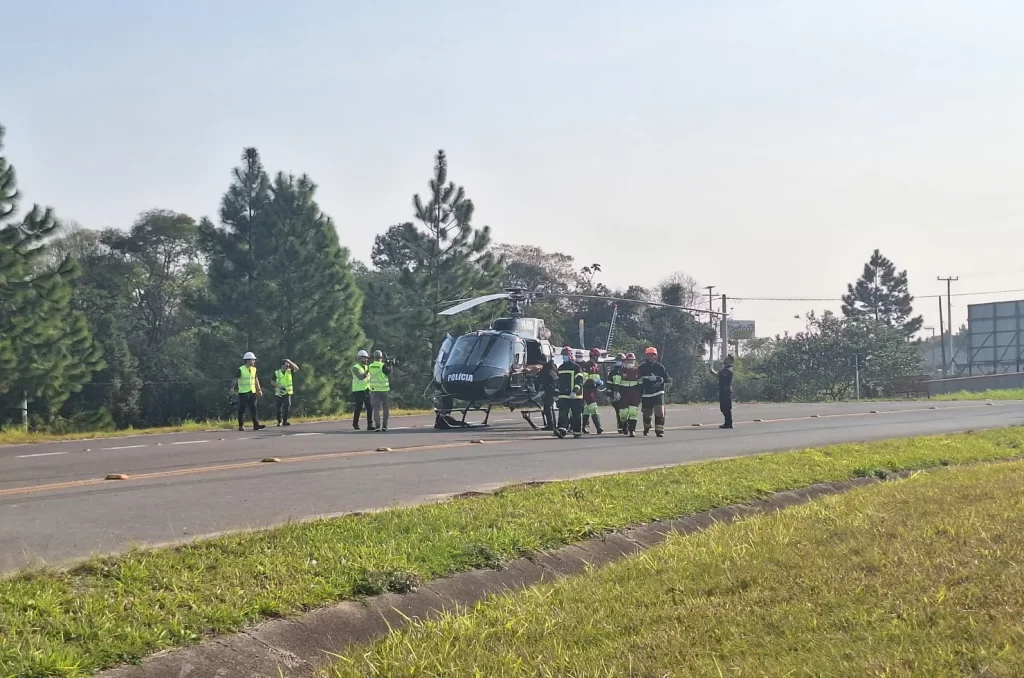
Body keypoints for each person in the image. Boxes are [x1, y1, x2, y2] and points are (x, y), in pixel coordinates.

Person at [554, 346, 586, 439]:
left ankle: (577, 431)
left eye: (566, 354)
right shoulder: (560, 368)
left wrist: (575, 391)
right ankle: (562, 429)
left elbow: (579, 381)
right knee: (562, 413)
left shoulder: (576, 367)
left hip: (575, 396)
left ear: (570, 355)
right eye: (563, 354)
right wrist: (556, 394)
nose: (564, 356)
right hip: (563, 395)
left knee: (576, 414)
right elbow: (558, 382)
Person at [639, 346, 671, 437]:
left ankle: (659, 431)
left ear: (655, 356)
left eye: (652, 355)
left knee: (660, 412)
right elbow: (637, 379)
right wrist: (643, 379)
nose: (650, 357)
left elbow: (667, 379)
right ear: (646, 356)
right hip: (646, 393)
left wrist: (658, 379)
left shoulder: (660, 367)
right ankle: (647, 427)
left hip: (658, 392)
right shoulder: (642, 368)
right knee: (646, 413)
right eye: (648, 355)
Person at [612, 352, 642, 437]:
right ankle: (624, 424)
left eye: (631, 361)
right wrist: (616, 392)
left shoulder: (637, 371)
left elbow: (641, 383)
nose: (630, 363)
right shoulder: (621, 371)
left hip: (634, 393)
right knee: (623, 413)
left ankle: (632, 430)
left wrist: (640, 394)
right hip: (623, 392)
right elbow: (616, 382)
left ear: (634, 361)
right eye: (628, 361)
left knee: (633, 412)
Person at [235, 351, 266, 432]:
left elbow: (256, 379)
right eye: (253, 360)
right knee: (242, 409)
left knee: (254, 409)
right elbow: (235, 380)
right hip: (243, 392)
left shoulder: (254, 369)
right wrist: (233, 389)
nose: (254, 361)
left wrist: (258, 389)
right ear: (248, 360)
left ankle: (256, 425)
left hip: (252, 392)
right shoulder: (241, 369)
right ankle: (241, 425)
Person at [367, 349, 394, 432]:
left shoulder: (370, 366)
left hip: (374, 390)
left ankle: (377, 426)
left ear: (374, 357)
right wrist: (391, 366)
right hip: (384, 389)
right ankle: (384, 426)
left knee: (376, 409)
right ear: (381, 357)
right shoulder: (383, 366)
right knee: (385, 408)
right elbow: (390, 376)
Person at [580, 348, 605, 434]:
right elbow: (584, 379)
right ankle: (598, 427)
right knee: (593, 408)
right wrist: (594, 382)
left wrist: (599, 383)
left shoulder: (596, 366)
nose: (598, 358)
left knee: (587, 409)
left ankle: (582, 427)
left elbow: (596, 377)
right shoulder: (586, 366)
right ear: (593, 356)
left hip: (593, 389)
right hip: (587, 389)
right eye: (597, 356)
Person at [272, 358, 300, 426]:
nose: (287, 367)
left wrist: (290, 361)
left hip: (287, 392)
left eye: (288, 366)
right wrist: (279, 386)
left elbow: (297, 368)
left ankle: (285, 421)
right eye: (286, 366)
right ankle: (279, 421)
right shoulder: (277, 373)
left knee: (287, 407)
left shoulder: (289, 371)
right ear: (282, 365)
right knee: (278, 408)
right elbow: (272, 382)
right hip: (279, 392)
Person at [351, 349, 373, 430]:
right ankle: (355, 423)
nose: (366, 359)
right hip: (358, 390)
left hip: (367, 389)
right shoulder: (355, 368)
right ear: (359, 358)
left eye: (366, 358)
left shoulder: (367, 367)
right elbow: (360, 377)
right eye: (364, 358)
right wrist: (368, 371)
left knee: (369, 407)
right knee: (358, 408)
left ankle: (370, 425)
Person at [538, 353, 559, 430]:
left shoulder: (546, 368)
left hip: (550, 389)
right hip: (552, 389)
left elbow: (545, 378)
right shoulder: (551, 366)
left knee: (548, 407)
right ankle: (552, 424)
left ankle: (551, 425)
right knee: (549, 407)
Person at [714, 354, 735, 429]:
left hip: (726, 390)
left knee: (726, 407)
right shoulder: (725, 369)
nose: (725, 359)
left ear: (730, 361)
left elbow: (723, 376)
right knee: (723, 407)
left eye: (727, 359)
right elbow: (718, 375)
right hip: (723, 389)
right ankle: (727, 422)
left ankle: (729, 423)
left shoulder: (728, 370)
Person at [607, 353, 626, 433]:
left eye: (620, 360)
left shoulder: (626, 371)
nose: (618, 361)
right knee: (618, 411)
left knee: (625, 411)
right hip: (615, 395)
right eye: (617, 360)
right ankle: (621, 427)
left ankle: (626, 426)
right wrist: (609, 395)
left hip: (625, 394)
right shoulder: (612, 372)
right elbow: (609, 384)